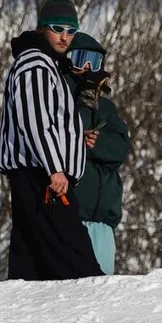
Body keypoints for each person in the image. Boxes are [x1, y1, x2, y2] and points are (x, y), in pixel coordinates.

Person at [0, 0, 104, 280]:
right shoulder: (35, 64)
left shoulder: (47, 64)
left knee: (31, 260)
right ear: (43, 28)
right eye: (58, 28)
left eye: (71, 31)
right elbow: (35, 121)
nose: (64, 37)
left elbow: (48, 120)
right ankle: (99, 303)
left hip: (39, 173)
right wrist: (55, 167)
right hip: (43, 177)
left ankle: (28, 310)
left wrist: (73, 141)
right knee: (75, 256)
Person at [64, 33, 131, 275]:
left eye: (94, 61)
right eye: (81, 59)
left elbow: (120, 148)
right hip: (72, 219)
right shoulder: (61, 101)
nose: (89, 68)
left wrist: (97, 143)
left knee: (101, 294)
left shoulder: (106, 107)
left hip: (103, 223)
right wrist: (77, 140)